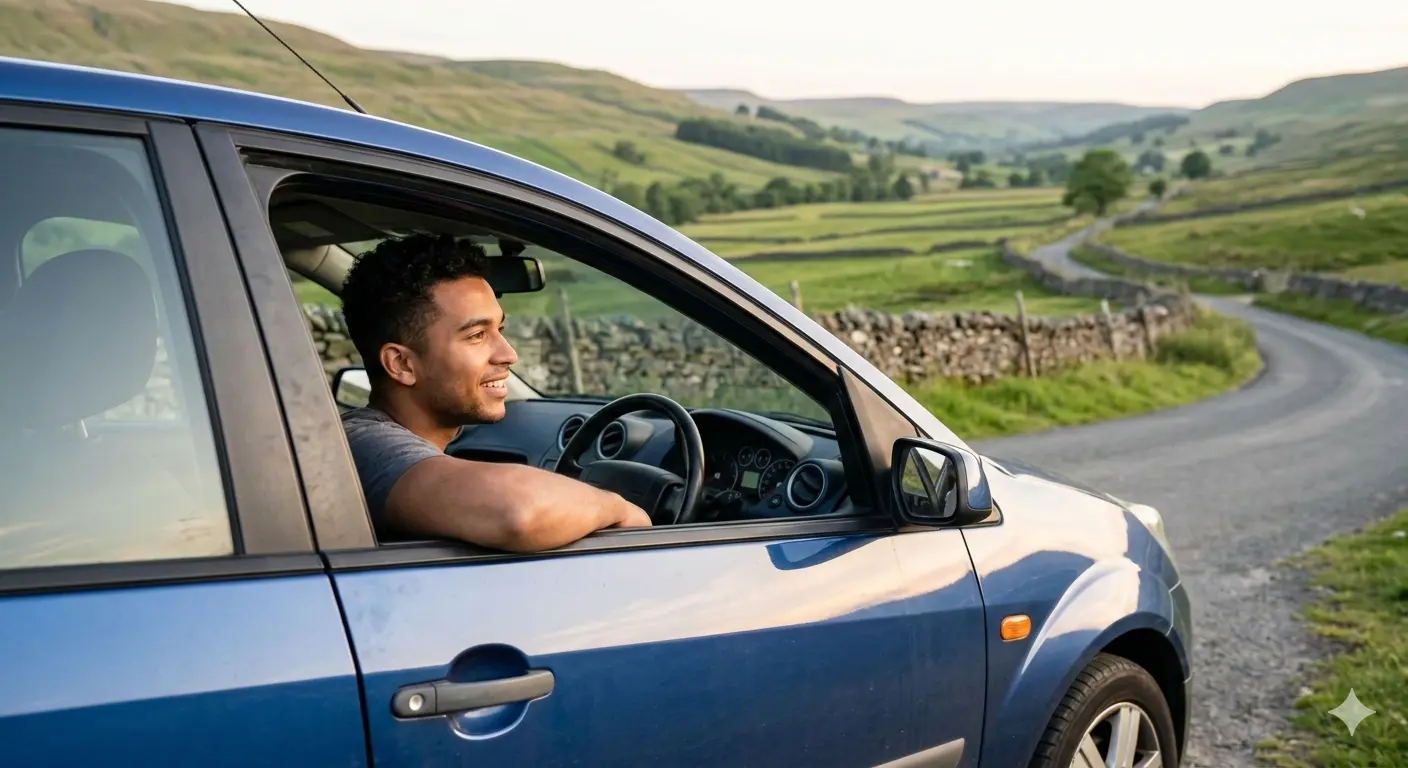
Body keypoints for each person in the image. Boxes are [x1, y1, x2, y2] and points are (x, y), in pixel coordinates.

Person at [338, 233, 652, 552]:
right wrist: (619, 508)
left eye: (499, 330)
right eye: (476, 335)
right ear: (402, 364)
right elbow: (518, 511)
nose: (508, 354)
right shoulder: (364, 446)